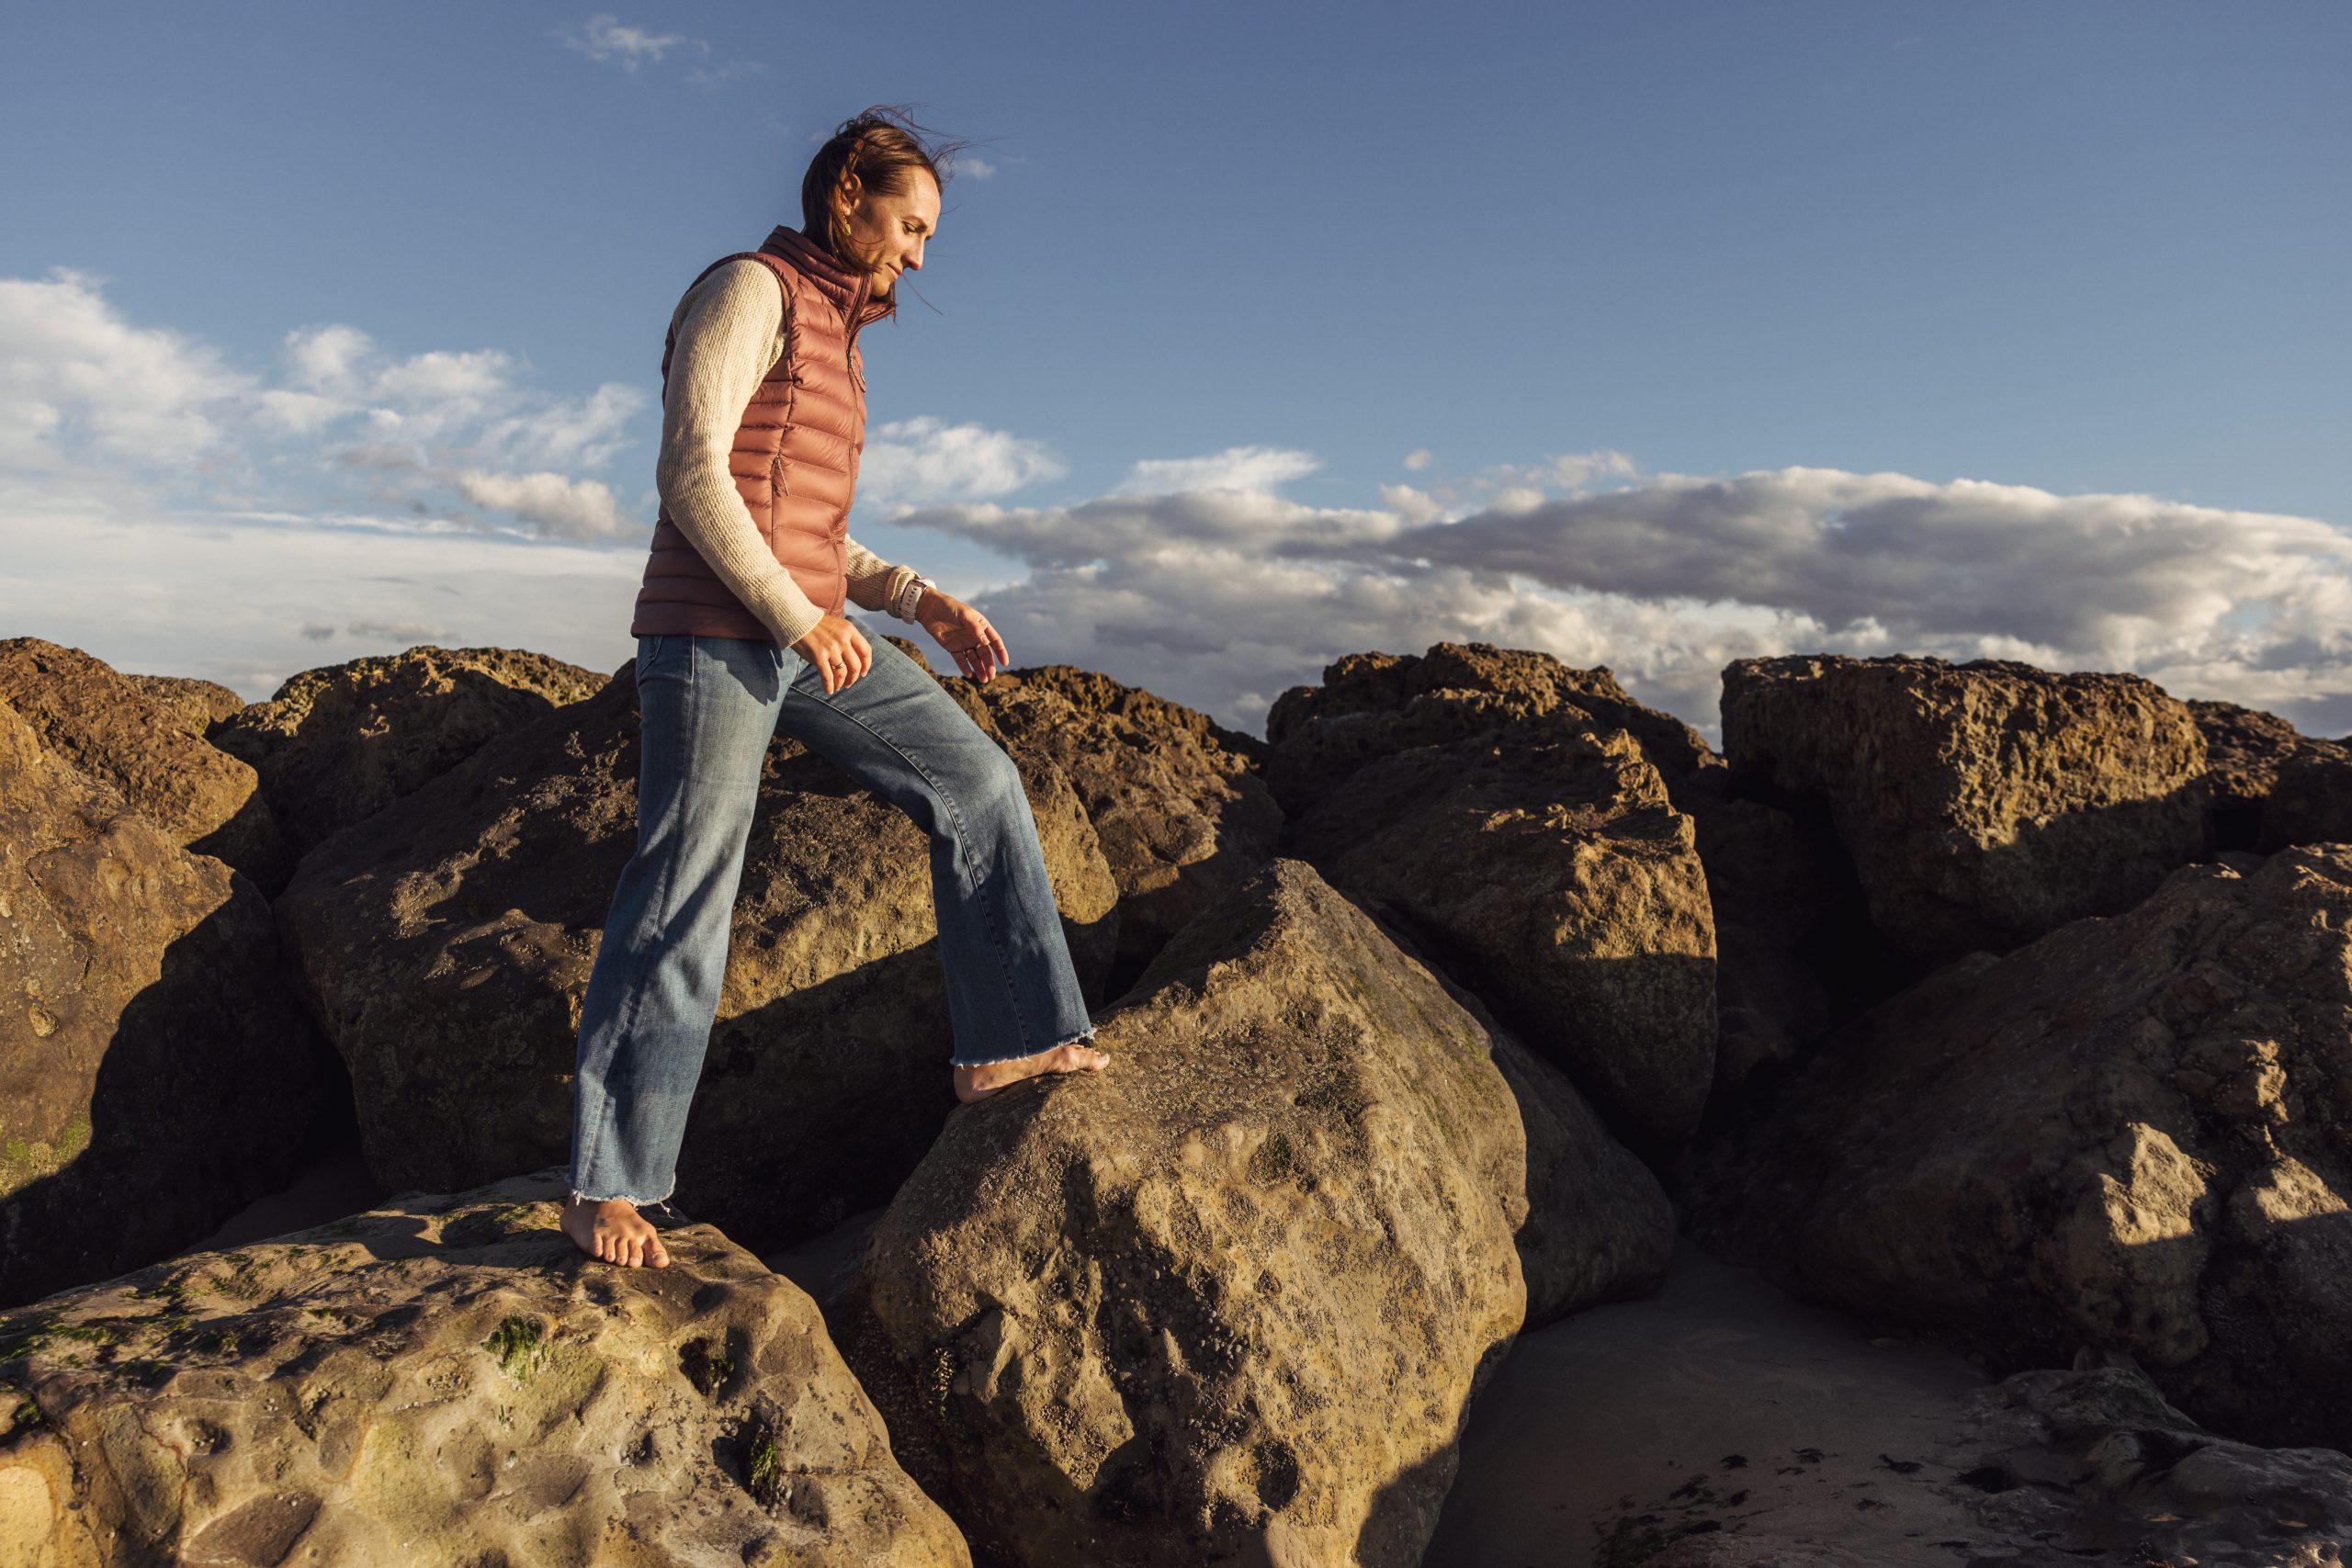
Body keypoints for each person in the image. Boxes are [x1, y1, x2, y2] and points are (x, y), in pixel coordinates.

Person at [561, 107, 1112, 1269]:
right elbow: (689, 473)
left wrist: (919, 600)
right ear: (847, 193)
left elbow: (816, 529)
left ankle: (1007, 1043)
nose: (919, 253)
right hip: (717, 636)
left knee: (976, 781)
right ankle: (608, 1185)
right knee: (685, 888)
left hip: (806, 637)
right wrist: (798, 616)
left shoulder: (841, 337)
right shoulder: (748, 289)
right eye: (909, 224)